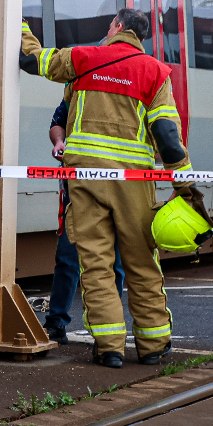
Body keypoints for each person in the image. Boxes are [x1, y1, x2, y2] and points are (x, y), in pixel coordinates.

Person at [22, 8, 194, 369]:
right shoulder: (155, 73)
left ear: (117, 26)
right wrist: (185, 186)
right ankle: (153, 346)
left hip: (85, 180)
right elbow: (167, 136)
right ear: (140, 36)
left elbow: (33, 60)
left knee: (96, 264)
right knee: (142, 263)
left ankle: (110, 348)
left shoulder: (84, 59)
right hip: (133, 183)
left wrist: (19, 26)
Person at [43, 98, 125, 345]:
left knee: (114, 259)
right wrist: (59, 141)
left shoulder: (120, 88)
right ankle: (57, 322)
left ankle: (109, 328)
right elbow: (58, 122)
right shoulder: (78, 88)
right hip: (78, 183)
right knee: (68, 255)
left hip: (117, 184)